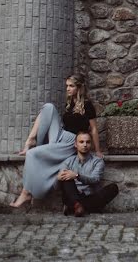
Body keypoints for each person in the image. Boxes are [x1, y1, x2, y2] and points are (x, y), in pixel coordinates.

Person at [9, 74, 103, 209]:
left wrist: (98, 150)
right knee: (48, 107)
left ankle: (26, 193)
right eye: (67, 86)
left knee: (31, 155)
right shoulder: (69, 103)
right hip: (60, 135)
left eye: (71, 86)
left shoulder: (87, 106)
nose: (68, 89)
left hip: (70, 142)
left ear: (79, 88)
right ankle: (30, 141)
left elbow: (93, 129)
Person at [57, 131, 119, 216]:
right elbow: (60, 176)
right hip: (73, 195)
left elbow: (95, 179)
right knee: (66, 178)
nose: (85, 145)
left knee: (113, 188)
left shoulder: (97, 161)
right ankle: (80, 206)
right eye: (81, 142)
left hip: (90, 196)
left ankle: (77, 207)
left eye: (88, 142)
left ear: (91, 144)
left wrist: (77, 176)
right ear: (76, 144)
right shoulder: (69, 161)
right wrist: (60, 177)